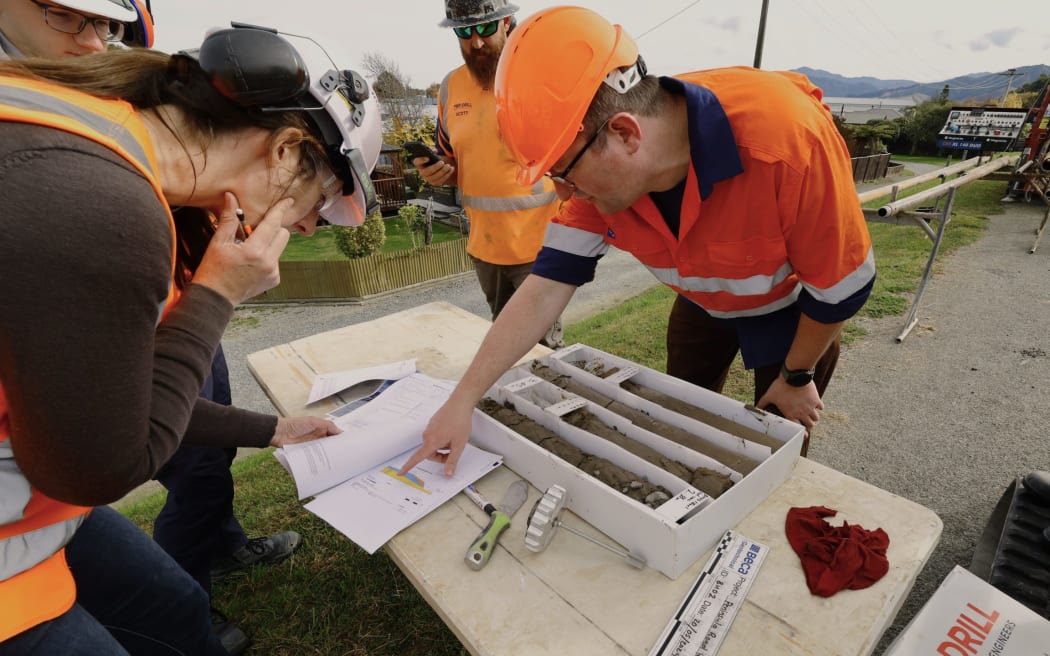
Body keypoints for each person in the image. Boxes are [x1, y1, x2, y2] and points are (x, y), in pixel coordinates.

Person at [0, 22, 382, 654]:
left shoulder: (105, 137)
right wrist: (215, 297)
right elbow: (100, 470)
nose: (312, 227)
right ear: (286, 151)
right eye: (320, 201)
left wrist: (271, 430)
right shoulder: (105, 208)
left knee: (177, 606)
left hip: (30, 496)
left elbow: (116, 395)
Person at [401, 5, 875, 478]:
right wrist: (462, 400)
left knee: (778, 446)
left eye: (564, 172)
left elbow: (839, 288)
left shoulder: (786, 142)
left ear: (625, 133)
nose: (564, 194)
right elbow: (544, 287)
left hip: (795, 314)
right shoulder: (599, 169)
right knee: (683, 426)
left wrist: (797, 375)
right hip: (701, 303)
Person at [413, 0, 563, 348]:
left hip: (537, 248)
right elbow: (455, 163)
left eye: (484, 29)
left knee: (541, 350)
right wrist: (438, 172)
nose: (475, 42)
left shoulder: (540, 77)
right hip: (486, 249)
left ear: (507, 23)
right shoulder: (450, 88)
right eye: (464, 32)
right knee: (504, 342)